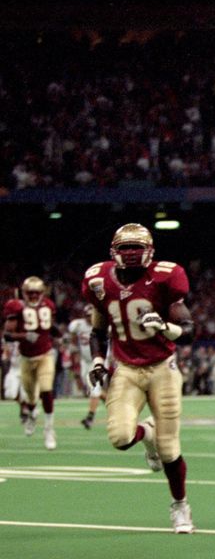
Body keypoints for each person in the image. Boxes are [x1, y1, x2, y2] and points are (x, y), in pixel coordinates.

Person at [81, 223, 198, 534]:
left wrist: (163, 326)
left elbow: (188, 331)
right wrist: (97, 360)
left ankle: (180, 505)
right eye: (125, 247)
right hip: (126, 369)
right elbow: (98, 330)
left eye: (137, 247)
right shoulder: (98, 280)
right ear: (114, 251)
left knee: (169, 448)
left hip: (162, 368)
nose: (131, 253)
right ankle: (147, 433)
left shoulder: (166, 276)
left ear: (150, 251)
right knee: (120, 438)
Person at [3, 276, 61, 450]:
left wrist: (57, 334)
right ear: (24, 293)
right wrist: (24, 336)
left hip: (45, 355)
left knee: (46, 390)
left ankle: (49, 430)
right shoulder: (16, 307)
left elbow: (50, 327)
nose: (34, 296)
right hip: (26, 358)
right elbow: (7, 335)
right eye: (30, 293)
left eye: (37, 292)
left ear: (42, 293)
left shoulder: (48, 305)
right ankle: (31, 414)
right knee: (30, 397)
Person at [69, 304, 106, 429]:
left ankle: (90, 417)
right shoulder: (78, 325)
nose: (90, 318)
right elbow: (73, 341)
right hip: (85, 361)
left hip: (98, 361)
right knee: (94, 390)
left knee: (94, 388)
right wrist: (74, 359)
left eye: (92, 316)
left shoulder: (102, 325)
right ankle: (116, 407)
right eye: (87, 316)